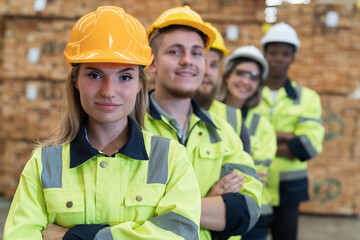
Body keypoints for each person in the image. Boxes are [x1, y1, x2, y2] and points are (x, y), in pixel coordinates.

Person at [4, 6, 201, 240]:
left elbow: (182, 234)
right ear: (75, 80)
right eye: (95, 75)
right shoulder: (45, 163)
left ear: (140, 84)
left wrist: (75, 236)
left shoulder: (171, 159)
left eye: (125, 77)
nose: (109, 91)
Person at [144, 6, 262, 240]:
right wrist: (207, 205)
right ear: (152, 62)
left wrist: (160, 209)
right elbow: (118, 212)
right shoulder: (127, 128)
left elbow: (248, 208)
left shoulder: (223, 132)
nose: (188, 61)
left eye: (197, 53)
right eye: (175, 52)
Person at [252, 22, 325, 240]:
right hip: (254, 183)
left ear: (293, 57)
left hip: (289, 189)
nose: (278, 58)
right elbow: (238, 139)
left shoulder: (307, 97)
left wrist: (262, 143)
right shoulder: (248, 95)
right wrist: (286, 137)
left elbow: (307, 146)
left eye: (285, 53)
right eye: (273, 53)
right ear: (264, 55)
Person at [221, 45, 277, 240]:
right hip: (214, 210)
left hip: (254, 211)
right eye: (241, 73)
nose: (246, 81)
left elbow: (258, 174)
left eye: (253, 77)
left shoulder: (262, 125)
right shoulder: (207, 113)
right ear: (227, 75)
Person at [194, 22, 252, 155]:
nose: (207, 72)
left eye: (214, 65)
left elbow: (245, 174)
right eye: (202, 62)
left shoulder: (233, 118)